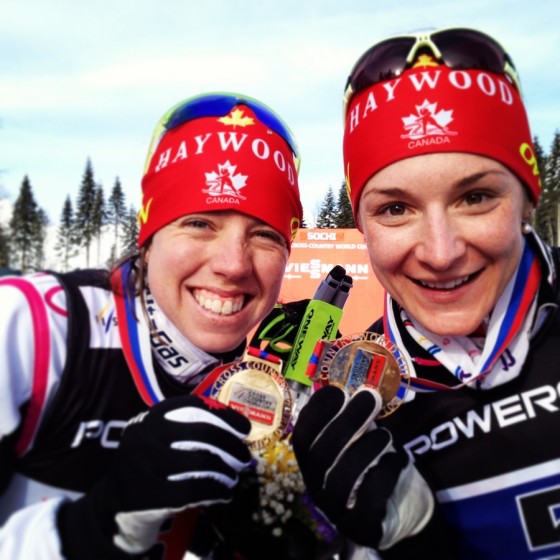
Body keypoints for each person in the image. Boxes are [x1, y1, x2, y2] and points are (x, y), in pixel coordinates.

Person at [0, 92, 304, 559]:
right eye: (201, 223)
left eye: (264, 234)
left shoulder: (261, 391)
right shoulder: (30, 325)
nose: (233, 264)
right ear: (149, 234)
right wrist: (94, 526)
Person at [292, 27, 558, 559]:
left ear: (528, 196)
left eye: (475, 197)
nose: (440, 252)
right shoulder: (355, 397)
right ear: (362, 225)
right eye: (396, 209)